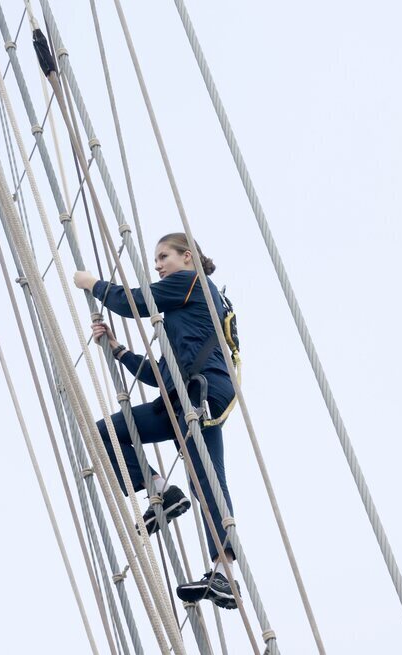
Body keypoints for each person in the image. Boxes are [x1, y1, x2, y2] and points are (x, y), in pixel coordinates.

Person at [72, 232, 239, 609]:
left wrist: (92, 284)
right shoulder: (182, 317)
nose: (159, 265)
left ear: (188, 258)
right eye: (157, 260)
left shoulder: (193, 283)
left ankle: (225, 574)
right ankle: (161, 492)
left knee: (207, 477)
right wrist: (118, 350)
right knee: (107, 433)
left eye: (164, 256)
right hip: (182, 395)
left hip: (204, 394)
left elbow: (133, 302)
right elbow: (161, 377)